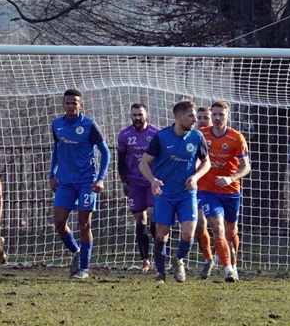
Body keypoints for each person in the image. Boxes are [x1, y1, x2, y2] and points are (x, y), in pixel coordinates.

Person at [139, 101, 210, 284]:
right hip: (164, 194)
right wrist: (153, 180)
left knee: (188, 233)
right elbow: (144, 163)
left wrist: (195, 177)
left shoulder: (197, 137)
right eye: (191, 116)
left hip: (186, 194)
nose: (195, 119)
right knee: (161, 235)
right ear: (179, 117)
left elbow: (206, 162)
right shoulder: (161, 137)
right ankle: (160, 274)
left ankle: (178, 259)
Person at [49, 89, 111, 280]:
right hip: (65, 182)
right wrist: (52, 173)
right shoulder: (57, 124)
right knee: (59, 222)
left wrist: (100, 178)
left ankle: (84, 268)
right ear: (63, 104)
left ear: (80, 105)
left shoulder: (89, 125)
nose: (70, 106)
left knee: (85, 224)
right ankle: (75, 251)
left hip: (86, 181)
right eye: (67, 103)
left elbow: (106, 152)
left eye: (74, 103)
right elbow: (56, 149)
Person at [197, 101, 251, 282]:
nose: (218, 118)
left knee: (231, 232)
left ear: (228, 116)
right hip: (208, 191)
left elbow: (246, 167)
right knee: (217, 229)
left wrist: (231, 178)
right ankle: (228, 270)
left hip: (231, 191)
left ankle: (234, 264)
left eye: (222, 115)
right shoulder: (201, 135)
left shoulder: (236, 138)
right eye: (215, 114)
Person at [117, 103, 161, 272]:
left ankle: (160, 256)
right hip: (134, 184)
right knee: (139, 220)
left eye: (140, 114)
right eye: (134, 115)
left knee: (153, 216)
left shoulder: (155, 133)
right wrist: (124, 182)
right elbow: (120, 160)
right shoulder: (125, 135)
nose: (137, 118)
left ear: (146, 115)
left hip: (152, 181)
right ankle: (145, 260)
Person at [194, 106, 215, 276]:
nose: (202, 121)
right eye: (199, 117)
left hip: (217, 188)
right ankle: (208, 259)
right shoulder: (191, 136)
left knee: (224, 228)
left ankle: (231, 262)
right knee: (200, 225)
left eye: (205, 117)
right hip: (197, 188)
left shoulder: (217, 136)